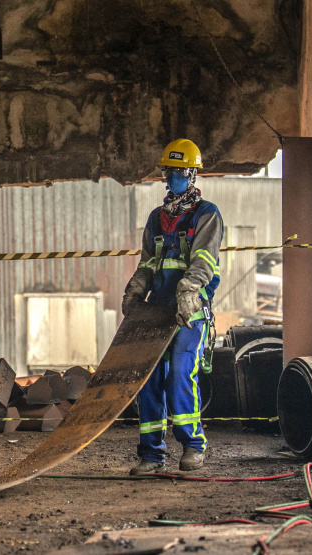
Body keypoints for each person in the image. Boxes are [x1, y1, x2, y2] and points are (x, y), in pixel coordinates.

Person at [122, 138, 224, 475]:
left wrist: (188, 291)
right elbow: (148, 264)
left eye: (178, 172)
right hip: (157, 310)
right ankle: (151, 454)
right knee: (149, 378)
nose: (171, 178)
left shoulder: (207, 215)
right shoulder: (157, 218)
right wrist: (135, 291)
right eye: (169, 172)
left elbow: (204, 261)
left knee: (180, 373)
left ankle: (193, 446)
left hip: (189, 310)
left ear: (192, 175)